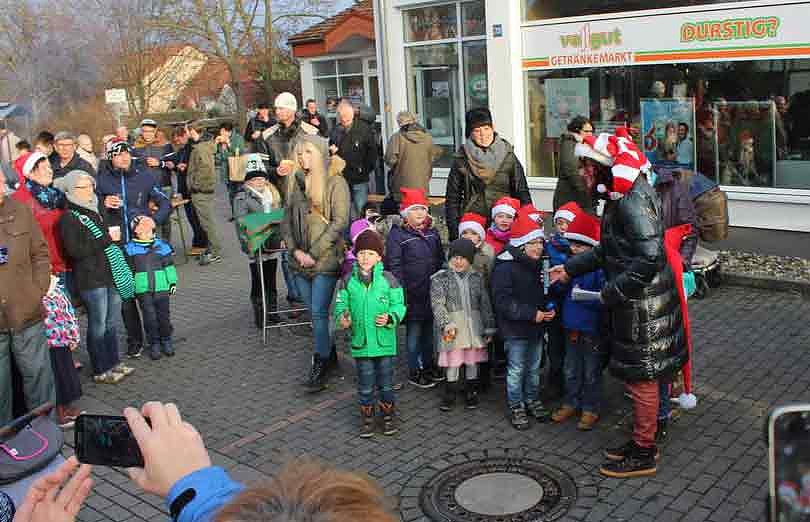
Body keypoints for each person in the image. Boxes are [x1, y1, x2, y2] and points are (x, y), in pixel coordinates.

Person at [551, 128, 688, 478]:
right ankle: (643, 439)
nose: (582, 173)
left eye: (586, 166)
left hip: (643, 307)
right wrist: (569, 268)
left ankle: (644, 452)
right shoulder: (620, 196)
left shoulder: (629, 201)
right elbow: (611, 249)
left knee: (642, 379)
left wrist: (611, 292)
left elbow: (650, 256)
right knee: (645, 378)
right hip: (642, 303)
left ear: (602, 167)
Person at [280, 134, 350, 393]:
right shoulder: (295, 182)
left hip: (325, 260)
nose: (302, 157)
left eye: (308, 152)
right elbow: (286, 220)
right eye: (299, 153)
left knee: (320, 313)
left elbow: (339, 221)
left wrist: (314, 252)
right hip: (298, 261)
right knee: (315, 314)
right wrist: (295, 250)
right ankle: (329, 356)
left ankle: (320, 364)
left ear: (320, 153)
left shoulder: (335, 182)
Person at [56, 170, 135, 384]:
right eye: (83, 187)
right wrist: (105, 240)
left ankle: (114, 362)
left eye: (90, 186)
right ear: (72, 190)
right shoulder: (69, 217)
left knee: (111, 322)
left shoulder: (97, 209)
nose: (89, 191)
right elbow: (75, 251)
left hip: (109, 273)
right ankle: (100, 368)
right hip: (91, 278)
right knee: (98, 325)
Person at [96, 138, 170, 358]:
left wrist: (154, 220)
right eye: (118, 154)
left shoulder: (143, 176)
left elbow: (165, 201)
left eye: (127, 152)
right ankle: (135, 340)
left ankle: (160, 337)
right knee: (126, 298)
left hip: (143, 246)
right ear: (110, 157)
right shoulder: (101, 180)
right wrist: (103, 204)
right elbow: (89, 207)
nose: (124, 157)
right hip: (118, 248)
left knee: (152, 295)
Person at [334, 228, 406, 437]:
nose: (365, 257)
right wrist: (343, 318)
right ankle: (367, 417)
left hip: (384, 343)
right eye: (362, 253)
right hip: (361, 344)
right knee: (365, 386)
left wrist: (391, 317)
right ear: (355, 255)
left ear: (379, 257)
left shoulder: (389, 279)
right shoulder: (347, 281)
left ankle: (388, 415)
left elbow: (399, 305)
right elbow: (340, 305)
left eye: (371, 254)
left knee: (386, 384)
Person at [0, 169, 55, 425]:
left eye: (1, 179)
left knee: (39, 381)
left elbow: (40, 253)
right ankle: (5, 449)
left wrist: (37, 290)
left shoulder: (20, 211)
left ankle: (46, 438)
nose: (1, 184)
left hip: (26, 311)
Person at [491, 212, 555, 430]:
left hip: (536, 327)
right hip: (515, 329)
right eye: (533, 243)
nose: (538, 247)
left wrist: (550, 309)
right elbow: (503, 302)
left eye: (540, 242)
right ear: (521, 245)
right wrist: (531, 314)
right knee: (517, 369)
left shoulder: (541, 264)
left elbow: (546, 293)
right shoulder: (504, 267)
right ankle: (516, 405)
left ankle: (532, 399)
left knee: (534, 368)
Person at [648, 164, 698, 441]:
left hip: (669, 271)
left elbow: (690, 231)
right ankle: (652, 402)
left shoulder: (673, 188)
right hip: (646, 273)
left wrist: (682, 263)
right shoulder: (629, 192)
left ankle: (666, 401)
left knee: (670, 337)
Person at [550, 209, 606, 431]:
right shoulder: (569, 264)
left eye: (579, 246)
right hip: (570, 326)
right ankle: (571, 402)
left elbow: (604, 296)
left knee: (591, 371)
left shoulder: (598, 268)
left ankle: (590, 407)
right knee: (570, 368)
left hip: (592, 328)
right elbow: (561, 292)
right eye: (572, 245)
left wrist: (587, 297)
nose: (574, 249)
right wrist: (559, 283)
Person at [385, 187, 444, 389]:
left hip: (431, 292)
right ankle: (414, 369)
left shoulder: (433, 232)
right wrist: (400, 293)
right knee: (413, 335)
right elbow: (394, 266)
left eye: (423, 209)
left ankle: (429, 365)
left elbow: (439, 259)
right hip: (411, 293)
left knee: (429, 334)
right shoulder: (397, 235)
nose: (420, 213)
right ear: (405, 213)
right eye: (415, 209)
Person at [445, 107, 531, 240]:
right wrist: (454, 233)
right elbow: (453, 198)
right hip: (473, 223)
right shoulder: (461, 159)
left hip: (504, 221)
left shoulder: (508, 155)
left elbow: (521, 191)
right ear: (470, 133)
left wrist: (528, 222)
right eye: (477, 130)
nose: (483, 134)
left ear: (492, 128)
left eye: (486, 128)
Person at [431, 238, 495, 411]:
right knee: (453, 360)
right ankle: (450, 391)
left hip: (474, 326)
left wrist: (489, 326)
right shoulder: (440, 278)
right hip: (452, 327)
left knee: (472, 360)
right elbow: (437, 303)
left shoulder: (477, 277)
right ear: (449, 258)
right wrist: (446, 323)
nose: (458, 262)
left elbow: (485, 303)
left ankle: (471, 391)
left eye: (463, 258)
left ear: (470, 259)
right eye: (455, 258)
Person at [233, 155, 283, 328]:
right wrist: (247, 244)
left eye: (262, 178)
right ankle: (260, 314)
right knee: (258, 280)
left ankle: (273, 311)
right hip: (256, 243)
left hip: (272, 243)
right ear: (248, 181)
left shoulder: (273, 193)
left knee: (271, 278)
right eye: (255, 178)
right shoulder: (242, 197)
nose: (260, 181)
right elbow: (241, 223)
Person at [12, 153, 70, 286]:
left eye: (50, 167)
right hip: (45, 268)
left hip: (64, 262)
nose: (50, 171)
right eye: (44, 168)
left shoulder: (54, 194)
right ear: (30, 173)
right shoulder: (21, 201)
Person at [125, 216, 177, 361]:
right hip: (143, 290)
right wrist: (131, 287)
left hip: (161, 288)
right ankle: (154, 342)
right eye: (143, 226)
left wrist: (172, 282)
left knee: (163, 317)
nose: (148, 229)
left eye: (149, 226)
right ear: (136, 231)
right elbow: (129, 270)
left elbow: (169, 265)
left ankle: (166, 339)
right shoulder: (130, 248)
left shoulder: (162, 245)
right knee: (149, 318)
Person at [41, 276, 83, 427]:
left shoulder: (56, 289)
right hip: (52, 343)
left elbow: (68, 313)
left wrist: (73, 337)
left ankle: (65, 408)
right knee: (57, 379)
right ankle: (61, 414)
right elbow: (66, 314)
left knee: (63, 377)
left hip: (60, 341)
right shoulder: (47, 293)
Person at [329, 99, 378, 220]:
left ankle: (361, 234)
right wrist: (332, 151)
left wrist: (364, 170)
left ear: (352, 113)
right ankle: (346, 236)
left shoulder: (364, 129)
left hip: (359, 178)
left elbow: (372, 154)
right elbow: (331, 147)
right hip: (342, 177)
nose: (343, 118)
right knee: (343, 211)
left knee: (360, 209)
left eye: (345, 115)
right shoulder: (336, 130)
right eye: (341, 115)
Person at [131, 119, 174, 243]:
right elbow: (132, 167)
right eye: (145, 131)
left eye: (150, 131)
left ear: (155, 131)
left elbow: (173, 164)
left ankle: (166, 245)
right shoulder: (135, 147)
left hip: (164, 185)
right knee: (148, 217)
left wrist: (160, 163)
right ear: (141, 132)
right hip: (145, 189)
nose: (147, 134)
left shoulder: (166, 145)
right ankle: (152, 244)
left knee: (165, 216)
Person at [186, 123, 222, 266]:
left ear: (193, 131)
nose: (186, 133)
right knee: (206, 222)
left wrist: (195, 184)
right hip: (203, 190)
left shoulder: (201, 148)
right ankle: (212, 249)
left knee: (207, 223)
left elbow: (206, 169)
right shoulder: (204, 145)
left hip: (201, 191)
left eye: (187, 130)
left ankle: (215, 252)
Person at [384, 111, 439, 202]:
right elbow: (433, 157)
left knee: (404, 213)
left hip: (402, 187)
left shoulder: (397, 138)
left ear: (399, 123)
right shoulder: (427, 137)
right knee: (420, 211)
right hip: (422, 186)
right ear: (414, 120)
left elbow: (390, 160)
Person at [170, 127, 207, 256]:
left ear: (185, 136)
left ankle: (201, 243)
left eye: (179, 139)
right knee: (192, 218)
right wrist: (175, 166)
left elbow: (197, 165)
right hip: (184, 188)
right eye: (175, 140)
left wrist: (185, 167)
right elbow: (177, 162)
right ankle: (199, 242)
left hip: (192, 188)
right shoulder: (182, 150)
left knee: (196, 217)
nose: (177, 142)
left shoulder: (192, 148)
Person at [552, 116, 596, 214]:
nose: (590, 134)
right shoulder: (569, 143)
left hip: (582, 199)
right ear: (577, 130)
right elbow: (571, 169)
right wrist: (586, 192)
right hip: (570, 199)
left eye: (591, 131)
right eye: (587, 131)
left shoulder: (586, 145)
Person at [213, 121, 246, 217]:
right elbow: (217, 157)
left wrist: (228, 143)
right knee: (231, 194)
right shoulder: (220, 141)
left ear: (228, 131)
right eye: (220, 132)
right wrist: (216, 144)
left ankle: (242, 213)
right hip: (226, 171)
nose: (221, 134)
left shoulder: (238, 138)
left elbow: (240, 152)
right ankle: (234, 214)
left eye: (222, 131)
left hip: (237, 169)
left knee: (239, 193)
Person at [457, 212, 495, 282]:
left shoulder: (486, 252)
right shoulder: (454, 250)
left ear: (480, 237)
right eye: (464, 233)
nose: (468, 236)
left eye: (474, 233)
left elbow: (490, 275)